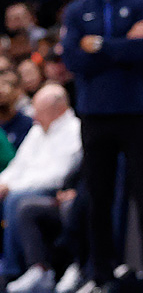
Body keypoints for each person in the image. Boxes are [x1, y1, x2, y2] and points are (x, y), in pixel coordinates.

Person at [59, 0, 143, 293]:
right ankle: (100, 276)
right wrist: (122, 44)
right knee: (97, 199)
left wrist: (100, 45)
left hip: (136, 112)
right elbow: (74, 61)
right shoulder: (76, 10)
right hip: (95, 115)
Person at [0, 84, 81, 290]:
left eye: (39, 111)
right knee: (10, 195)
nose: (34, 116)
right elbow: (18, 165)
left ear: (57, 109)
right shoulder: (38, 130)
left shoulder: (74, 130)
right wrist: (3, 183)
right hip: (24, 187)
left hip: (55, 192)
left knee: (17, 200)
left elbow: (57, 176)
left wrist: (13, 187)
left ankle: (13, 270)